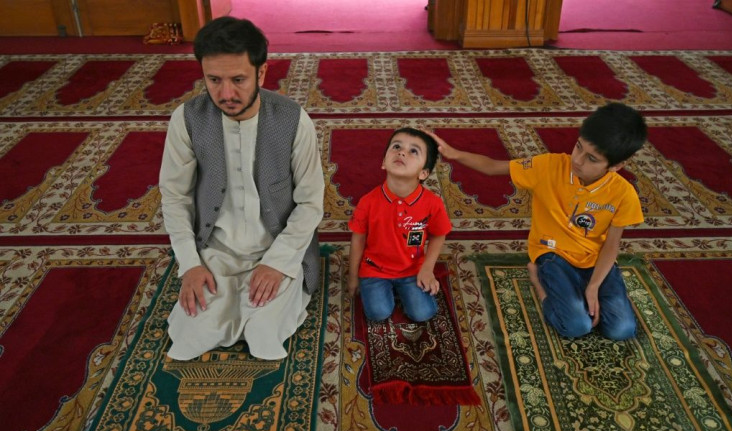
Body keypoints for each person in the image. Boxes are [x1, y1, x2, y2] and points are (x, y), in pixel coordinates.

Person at [158, 16, 324, 361]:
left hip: (277, 247)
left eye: (238, 80)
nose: (226, 94)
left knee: (263, 335)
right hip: (216, 250)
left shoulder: (294, 120)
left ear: (261, 74)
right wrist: (190, 264)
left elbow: (310, 204)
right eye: (214, 80)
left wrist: (277, 263)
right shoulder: (187, 119)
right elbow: (175, 198)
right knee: (194, 334)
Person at [424, 102, 647, 340]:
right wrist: (454, 153)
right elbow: (493, 167)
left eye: (591, 158)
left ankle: (583, 290)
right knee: (576, 326)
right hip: (551, 253)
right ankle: (538, 281)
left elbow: (612, 245)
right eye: (578, 147)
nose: (578, 160)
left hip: (593, 259)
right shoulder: (549, 166)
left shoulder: (624, 194)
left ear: (616, 166)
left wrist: (593, 286)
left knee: (622, 330)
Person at [348, 127, 452, 323]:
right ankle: (384, 290)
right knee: (377, 313)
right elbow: (358, 239)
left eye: (414, 151)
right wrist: (353, 276)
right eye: (396, 146)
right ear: (383, 163)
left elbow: (439, 234)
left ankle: (404, 289)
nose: (402, 152)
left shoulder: (432, 203)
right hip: (374, 269)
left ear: (423, 173)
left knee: (423, 313)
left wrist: (428, 268)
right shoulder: (367, 202)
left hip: (412, 269)